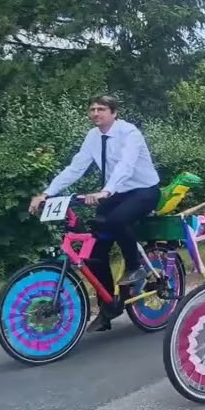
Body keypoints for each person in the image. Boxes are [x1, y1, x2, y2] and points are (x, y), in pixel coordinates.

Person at [30, 95, 163, 331]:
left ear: (114, 113)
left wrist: (106, 191)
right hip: (115, 193)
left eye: (101, 109)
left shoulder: (129, 133)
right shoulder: (93, 137)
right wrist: (46, 193)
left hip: (143, 191)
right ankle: (108, 307)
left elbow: (126, 165)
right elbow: (76, 167)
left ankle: (135, 267)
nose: (95, 113)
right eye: (91, 109)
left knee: (116, 220)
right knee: (93, 253)